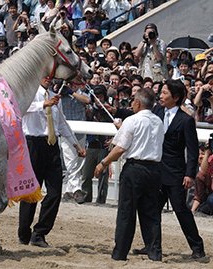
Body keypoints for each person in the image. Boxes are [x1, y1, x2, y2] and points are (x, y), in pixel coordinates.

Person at [133, 79, 205, 259]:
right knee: (152, 209)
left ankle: (197, 247)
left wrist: (190, 174)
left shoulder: (186, 120)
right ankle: (151, 245)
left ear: (176, 97)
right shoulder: (156, 111)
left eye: (165, 93)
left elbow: (193, 150)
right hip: (156, 171)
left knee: (180, 210)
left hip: (175, 174)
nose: (161, 96)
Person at [94, 88, 164, 261]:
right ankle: (154, 252)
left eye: (134, 101)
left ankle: (120, 252)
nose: (132, 104)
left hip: (135, 168)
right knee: (151, 213)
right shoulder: (158, 121)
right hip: (154, 169)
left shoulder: (132, 120)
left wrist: (104, 163)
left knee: (127, 211)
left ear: (138, 103)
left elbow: (120, 148)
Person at [18, 76, 85, 248]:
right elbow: (19, 109)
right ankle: (24, 229)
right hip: (33, 144)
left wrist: (75, 144)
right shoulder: (30, 94)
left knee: (55, 192)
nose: (48, 79)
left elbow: (61, 123)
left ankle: (40, 232)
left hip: (52, 145)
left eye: (50, 76)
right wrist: (43, 104)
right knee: (32, 191)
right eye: (45, 75)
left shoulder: (55, 96)